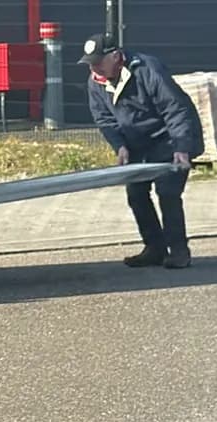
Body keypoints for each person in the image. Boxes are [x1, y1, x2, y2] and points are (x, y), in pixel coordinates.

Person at [80, 32, 204, 268]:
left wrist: (182, 147)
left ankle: (179, 251)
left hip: (169, 138)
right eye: (90, 63)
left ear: (115, 56)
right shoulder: (96, 82)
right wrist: (120, 146)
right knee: (136, 195)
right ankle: (154, 248)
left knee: (167, 192)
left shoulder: (147, 69)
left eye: (98, 62)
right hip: (138, 143)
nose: (94, 68)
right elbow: (104, 119)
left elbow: (174, 109)